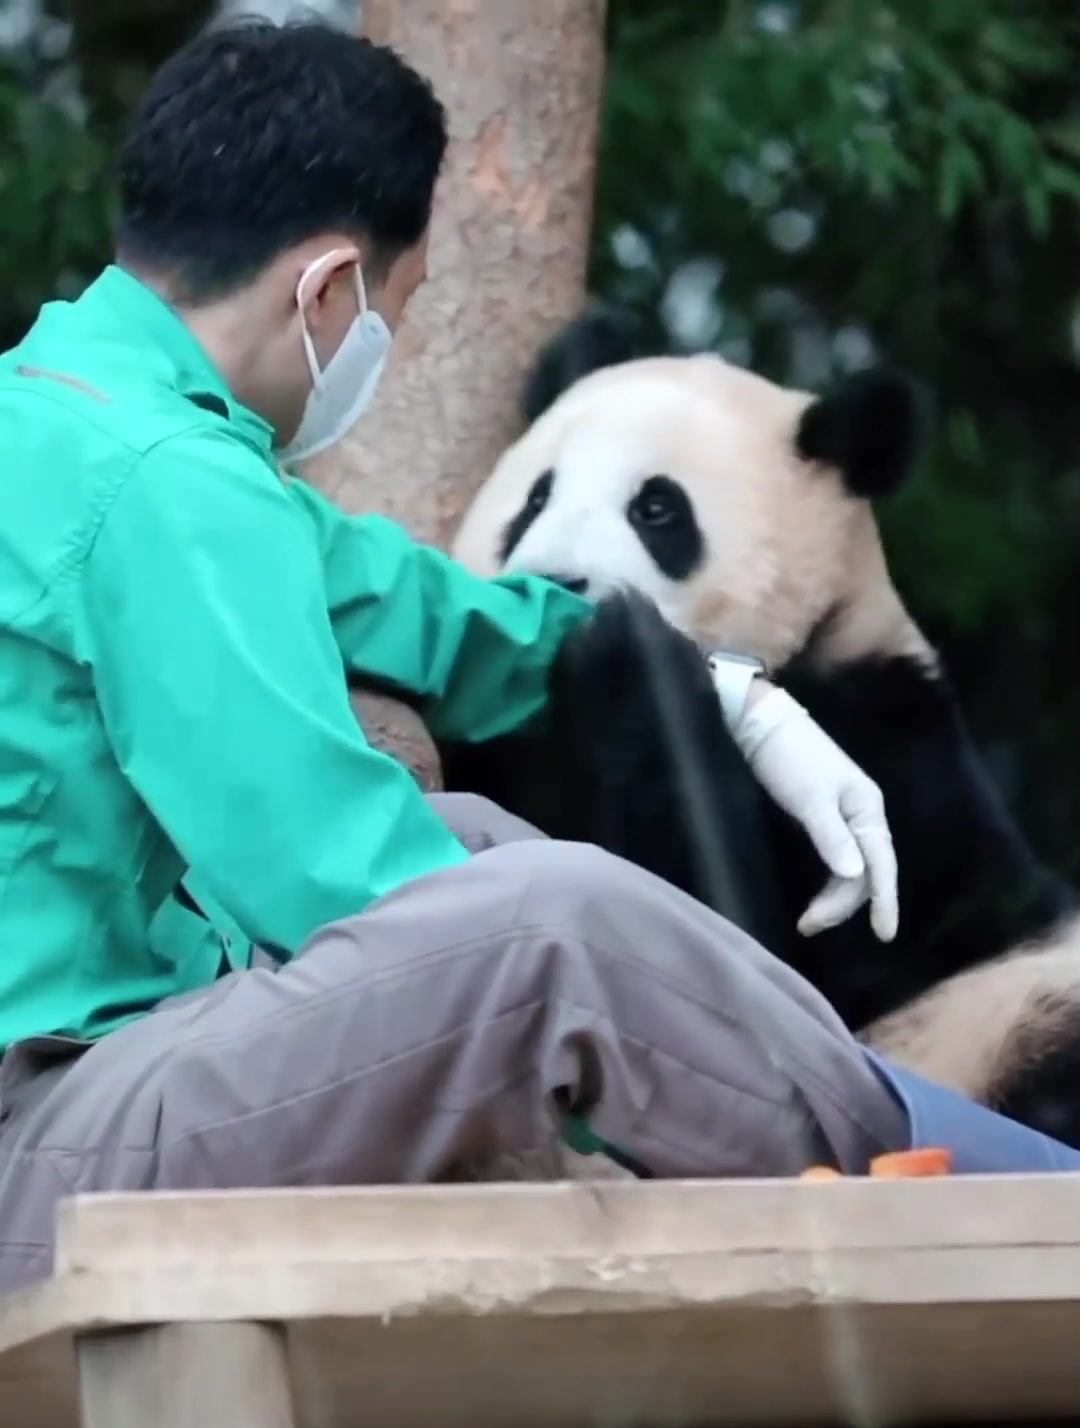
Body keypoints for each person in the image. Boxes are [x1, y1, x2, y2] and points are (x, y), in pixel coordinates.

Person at [0, 18, 1076, 1300]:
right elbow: (333, 880)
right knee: (549, 927)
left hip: (78, 1093)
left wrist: (728, 694)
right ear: (326, 289)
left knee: (482, 848)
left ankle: (910, 1134)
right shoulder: (165, 485)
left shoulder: (81, 422)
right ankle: (1009, 1209)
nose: (382, 351)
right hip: (41, 1151)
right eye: (397, 312)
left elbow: (424, 606)